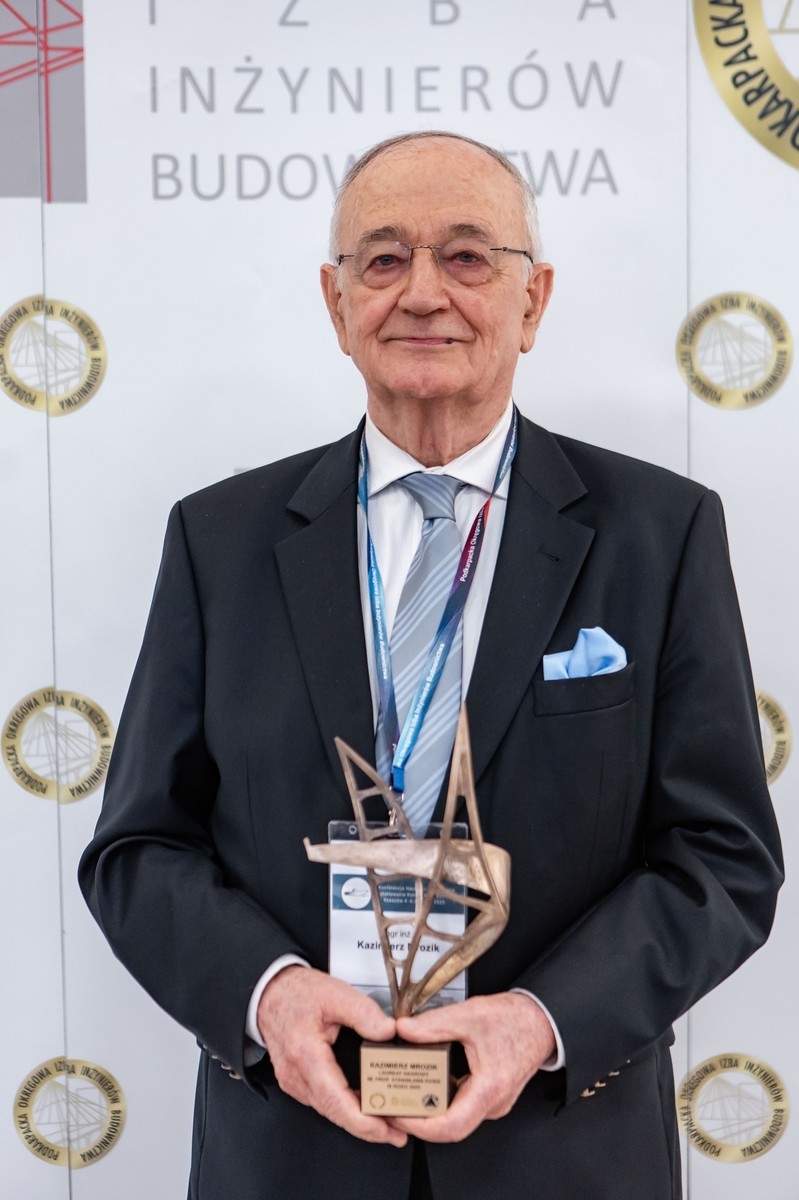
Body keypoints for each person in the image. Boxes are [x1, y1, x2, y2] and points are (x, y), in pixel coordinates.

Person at [79, 131, 783, 1200]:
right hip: (287, 1158)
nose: (420, 293)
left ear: (532, 300)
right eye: (382, 258)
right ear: (336, 304)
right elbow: (138, 848)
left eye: (465, 256)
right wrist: (270, 997)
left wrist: (538, 1021)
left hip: (565, 1156)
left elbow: (721, 856)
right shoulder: (218, 542)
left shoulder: (660, 533)